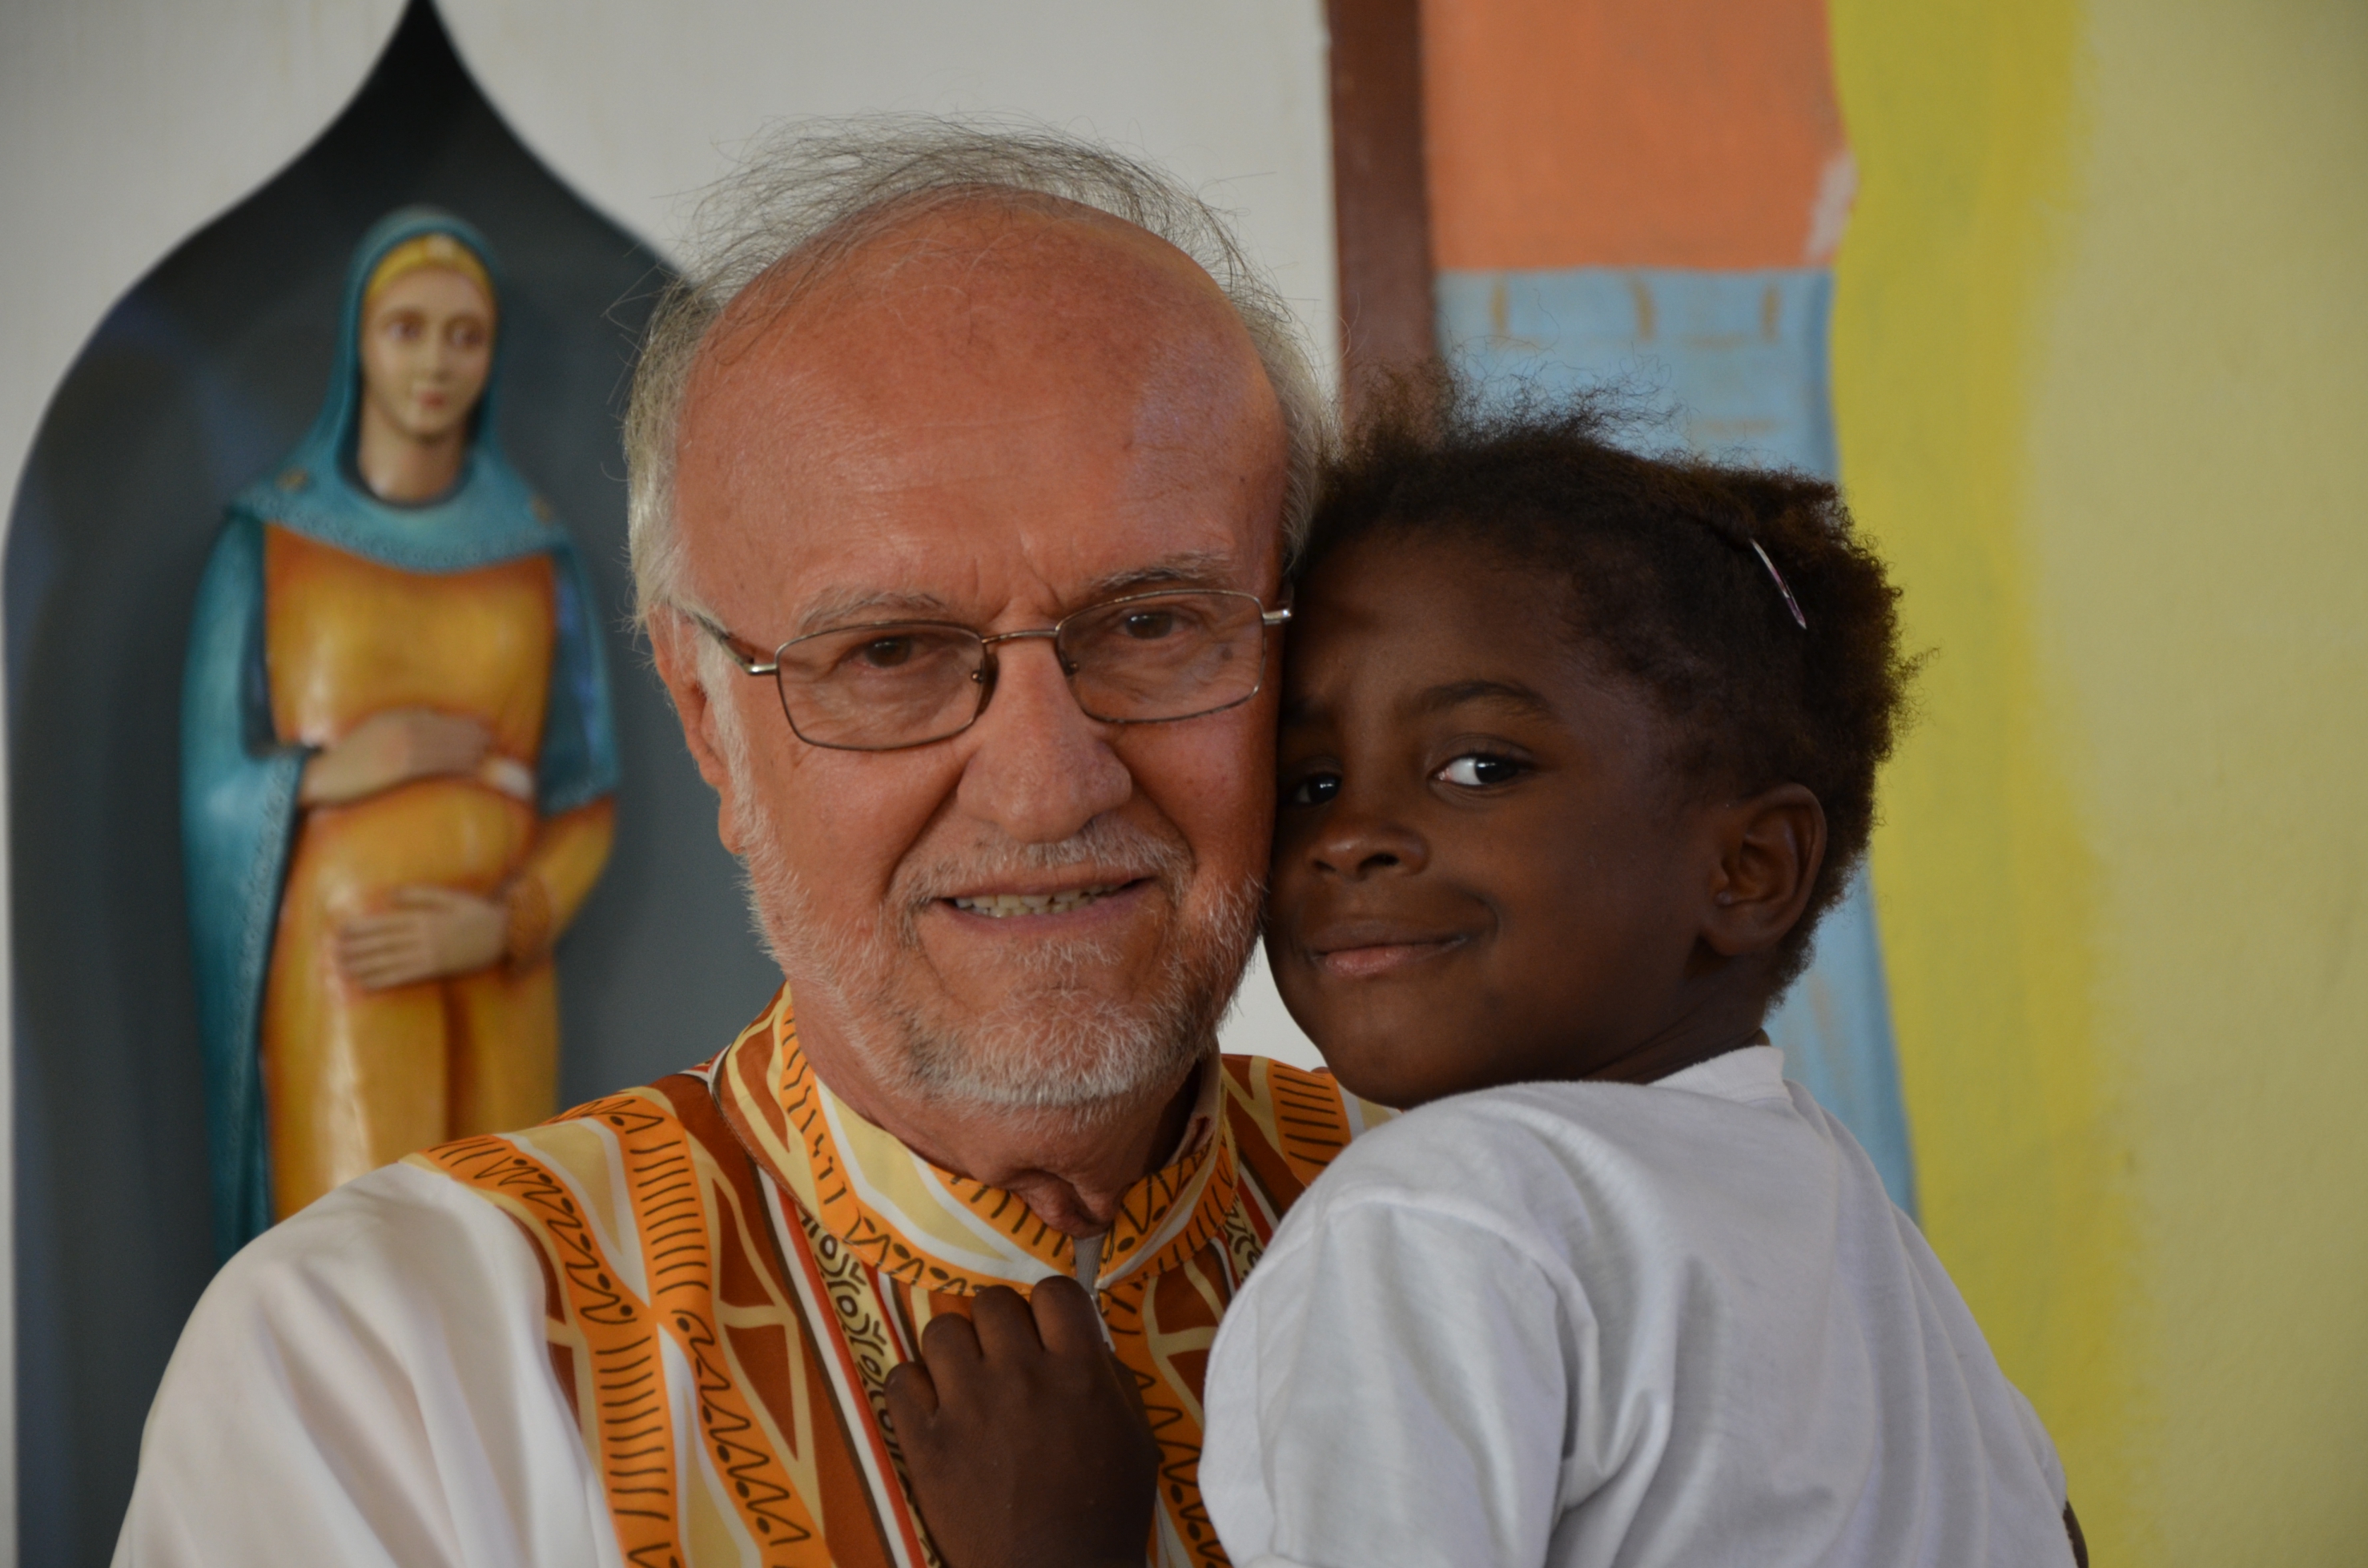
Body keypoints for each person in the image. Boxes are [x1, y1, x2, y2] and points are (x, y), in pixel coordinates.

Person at [119, 123, 1380, 1568]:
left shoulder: (1514, 1241)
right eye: (892, 649)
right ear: (707, 719)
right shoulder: (388, 1364)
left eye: (1155, 624)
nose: (1044, 785)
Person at [891, 384, 2089, 1567]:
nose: (1351, 835)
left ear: (1746, 867)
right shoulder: (1864, 1245)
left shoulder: (1438, 1211)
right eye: (1309, 783)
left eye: (1478, 766)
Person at [179, 207, 619, 1252]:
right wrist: (333, 772)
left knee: (500, 1267)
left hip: (499, 974)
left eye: (464, 335)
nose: (434, 362)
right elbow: (210, 788)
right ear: (358, 343)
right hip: (345, 969)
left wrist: (507, 923)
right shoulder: (274, 539)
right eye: (406, 328)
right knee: (356, 1263)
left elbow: (586, 793)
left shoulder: (534, 550)